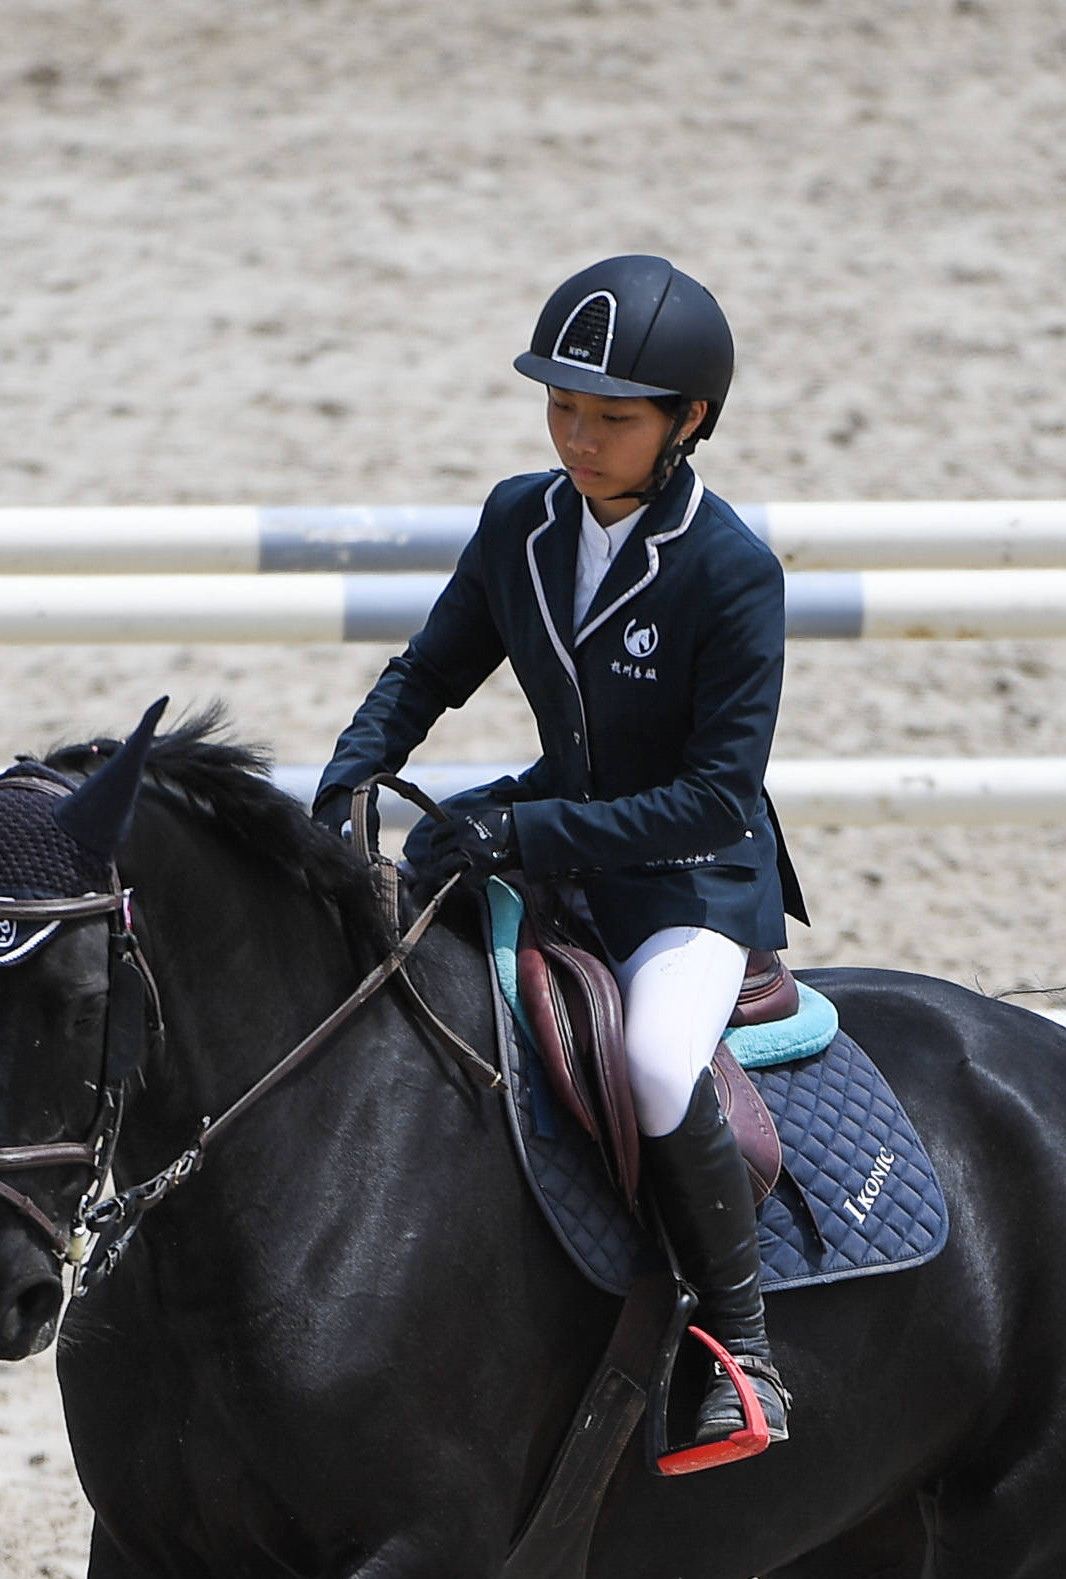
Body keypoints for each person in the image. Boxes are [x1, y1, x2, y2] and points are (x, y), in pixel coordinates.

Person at [314, 253, 798, 1463]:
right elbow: (429, 671)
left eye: (613, 418)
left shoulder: (732, 572)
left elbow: (711, 796)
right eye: (561, 407)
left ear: (688, 422)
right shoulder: (520, 521)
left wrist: (519, 828)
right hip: (563, 825)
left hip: (690, 878)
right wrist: (352, 771)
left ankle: (742, 1351)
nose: (578, 438)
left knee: (647, 1059)